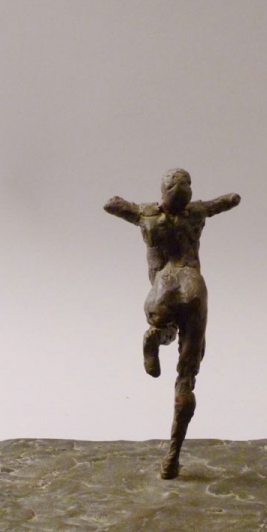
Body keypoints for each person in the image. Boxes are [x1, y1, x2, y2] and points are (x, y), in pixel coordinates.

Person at [104, 169, 241, 479]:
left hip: (163, 287)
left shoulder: (147, 215)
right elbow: (227, 201)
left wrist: (131, 207)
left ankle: (156, 335)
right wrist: (230, 199)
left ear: (162, 192)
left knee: (166, 327)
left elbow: (111, 205)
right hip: (194, 286)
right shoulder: (196, 213)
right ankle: (172, 457)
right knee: (186, 376)